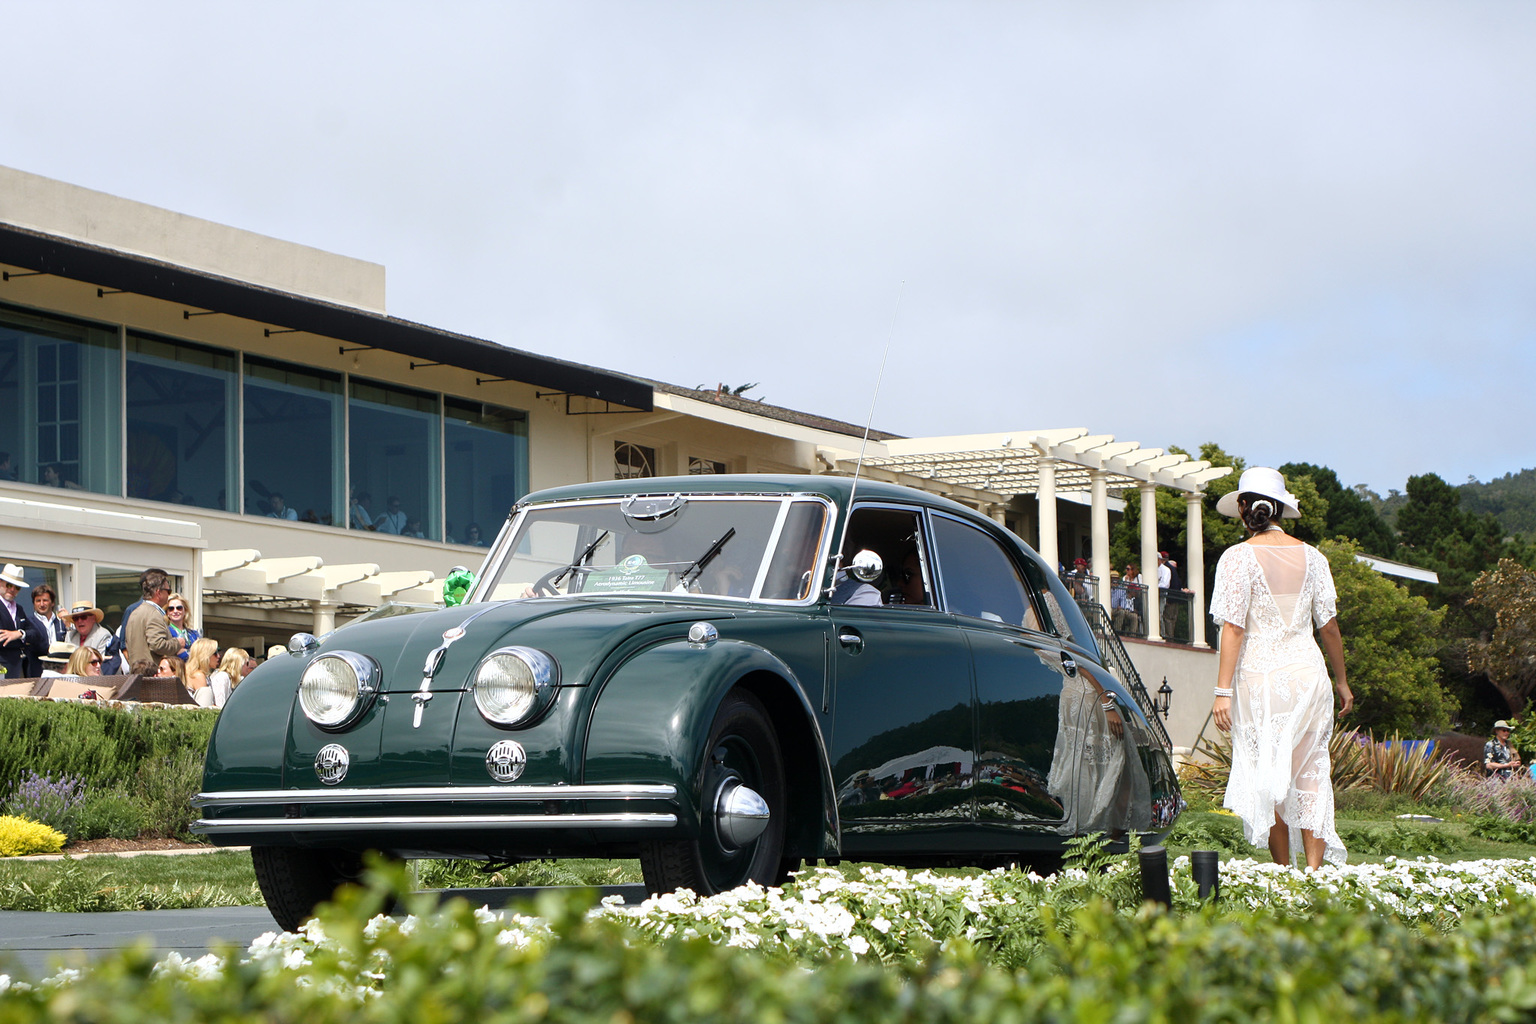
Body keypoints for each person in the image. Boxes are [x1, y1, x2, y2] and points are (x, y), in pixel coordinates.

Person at [1210, 467, 1353, 869]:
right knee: (1311, 770)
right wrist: (1341, 681)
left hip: (1260, 681)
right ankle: (1313, 872)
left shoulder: (1237, 558)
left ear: (1243, 508)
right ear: (1280, 509)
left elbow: (1234, 628)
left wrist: (1222, 692)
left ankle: (1283, 872)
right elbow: (1329, 626)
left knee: (1266, 772)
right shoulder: (1314, 557)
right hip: (1309, 677)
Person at [123, 568, 183, 669]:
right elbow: (157, 645)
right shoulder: (153, 614)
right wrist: (178, 643)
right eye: (168, 591)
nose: (169, 595)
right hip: (152, 675)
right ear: (158, 593)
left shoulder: (135, 613)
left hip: (137, 674)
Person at [0, 563, 46, 679]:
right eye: (9, 585)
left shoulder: (19, 609)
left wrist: (19, 633)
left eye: (17, 587)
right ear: (0, 582)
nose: (12, 589)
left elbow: (36, 633)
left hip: (20, 667)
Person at [24, 583, 66, 677]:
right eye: (38, 601)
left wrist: (68, 623)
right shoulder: (28, 622)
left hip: (61, 671)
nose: (42, 604)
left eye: (45, 600)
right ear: (34, 603)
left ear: (52, 602)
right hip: (36, 672)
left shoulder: (61, 622)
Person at [185, 638, 222, 707]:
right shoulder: (198, 675)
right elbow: (204, 706)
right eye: (215, 653)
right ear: (205, 655)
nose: (218, 656)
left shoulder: (195, 673)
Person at [164, 593, 201, 660]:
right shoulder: (165, 632)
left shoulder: (194, 634)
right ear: (167, 613)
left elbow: (200, 655)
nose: (175, 611)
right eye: (171, 609)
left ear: (185, 611)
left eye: (179, 608)